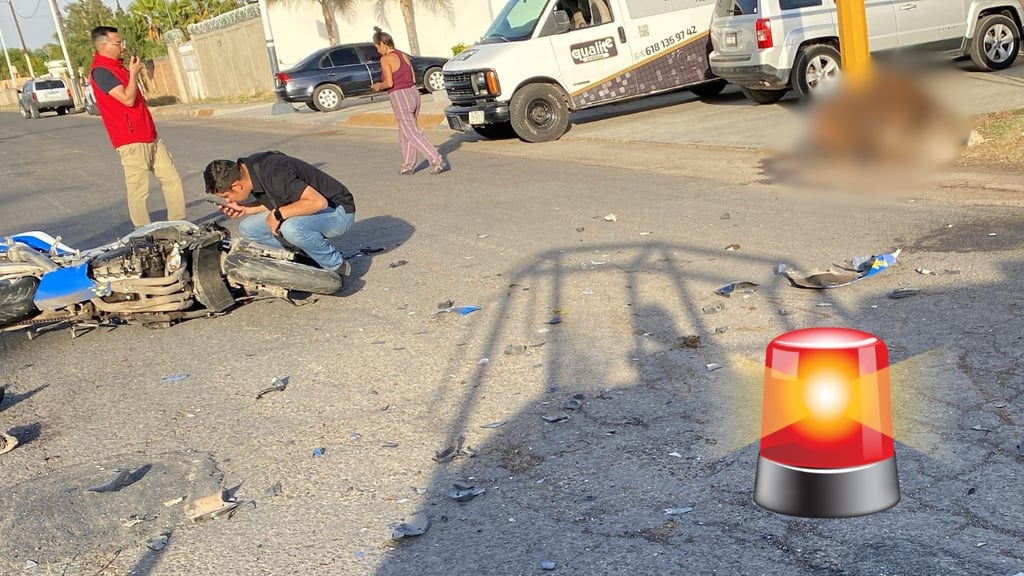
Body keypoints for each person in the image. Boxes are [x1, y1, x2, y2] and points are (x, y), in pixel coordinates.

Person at [203, 151, 356, 280]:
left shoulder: (273, 173)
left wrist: (278, 214)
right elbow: (279, 199)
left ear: (236, 185)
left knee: (291, 228)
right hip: (313, 208)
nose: (228, 201)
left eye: (226, 196)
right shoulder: (249, 171)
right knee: (248, 227)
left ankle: (336, 266)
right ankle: (307, 257)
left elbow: (318, 202)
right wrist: (245, 208)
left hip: (337, 212)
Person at [89, 26, 186, 228]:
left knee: (172, 179)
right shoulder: (101, 71)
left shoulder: (118, 67)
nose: (122, 47)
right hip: (130, 139)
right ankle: (142, 232)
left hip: (149, 135)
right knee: (139, 190)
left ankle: (178, 224)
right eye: (118, 43)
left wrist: (129, 72)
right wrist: (133, 74)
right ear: (103, 45)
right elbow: (127, 99)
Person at [370, 27, 447, 175]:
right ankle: (408, 165)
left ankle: (436, 160)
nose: (377, 50)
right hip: (413, 93)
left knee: (412, 132)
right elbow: (412, 77)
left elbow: (389, 83)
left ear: (382, 44)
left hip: (400, 95)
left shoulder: (385, 59)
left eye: (377, 47)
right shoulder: (403, 55)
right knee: (405, 131)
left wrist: (378, 86)